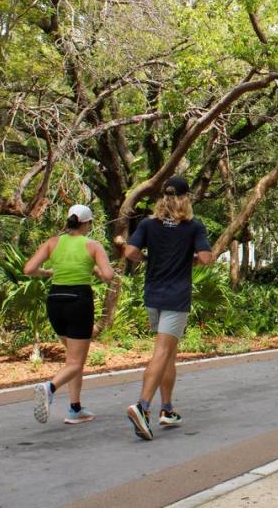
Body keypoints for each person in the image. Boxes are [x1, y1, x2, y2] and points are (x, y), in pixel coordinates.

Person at [121, 176, 212, 441]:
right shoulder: (193, 226)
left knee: (169, 353)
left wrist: (149, 257)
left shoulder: (149, 224)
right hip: (176, 297)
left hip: (153, 295)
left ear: (164, 197)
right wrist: (190, 258)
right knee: (162, 352)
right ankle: (143, 406)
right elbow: (206, 257)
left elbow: (130, 252)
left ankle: (167, 408)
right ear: (186, 198)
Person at [23, 204, 115, 425]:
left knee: (73, 359)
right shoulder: (92, 246)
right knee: (76, 361)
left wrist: (46, 272)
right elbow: (108, 275)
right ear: (86, 223)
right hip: (78, 301)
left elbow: (29, 269)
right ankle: (49, 388)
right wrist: (94, 270)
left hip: (55, 301)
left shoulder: (53, 242)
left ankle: (75, 409)